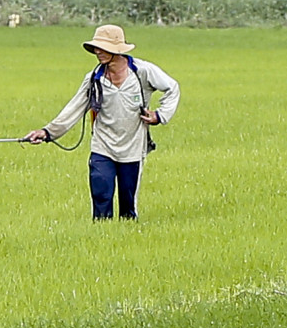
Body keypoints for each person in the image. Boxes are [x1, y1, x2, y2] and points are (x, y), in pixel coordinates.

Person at [26, 24, 180, 220]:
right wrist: (47, 133)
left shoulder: (142, 72)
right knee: (101, 197)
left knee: (128, 204)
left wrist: (159, 115)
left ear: (117, 50)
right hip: (102, 145)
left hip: (132, 147)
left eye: (102, 47)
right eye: (96, 48)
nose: (97, 51)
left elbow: (172, 88)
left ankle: (126, 237)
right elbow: (74, 108)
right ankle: (101, 234)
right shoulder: (93, 78)